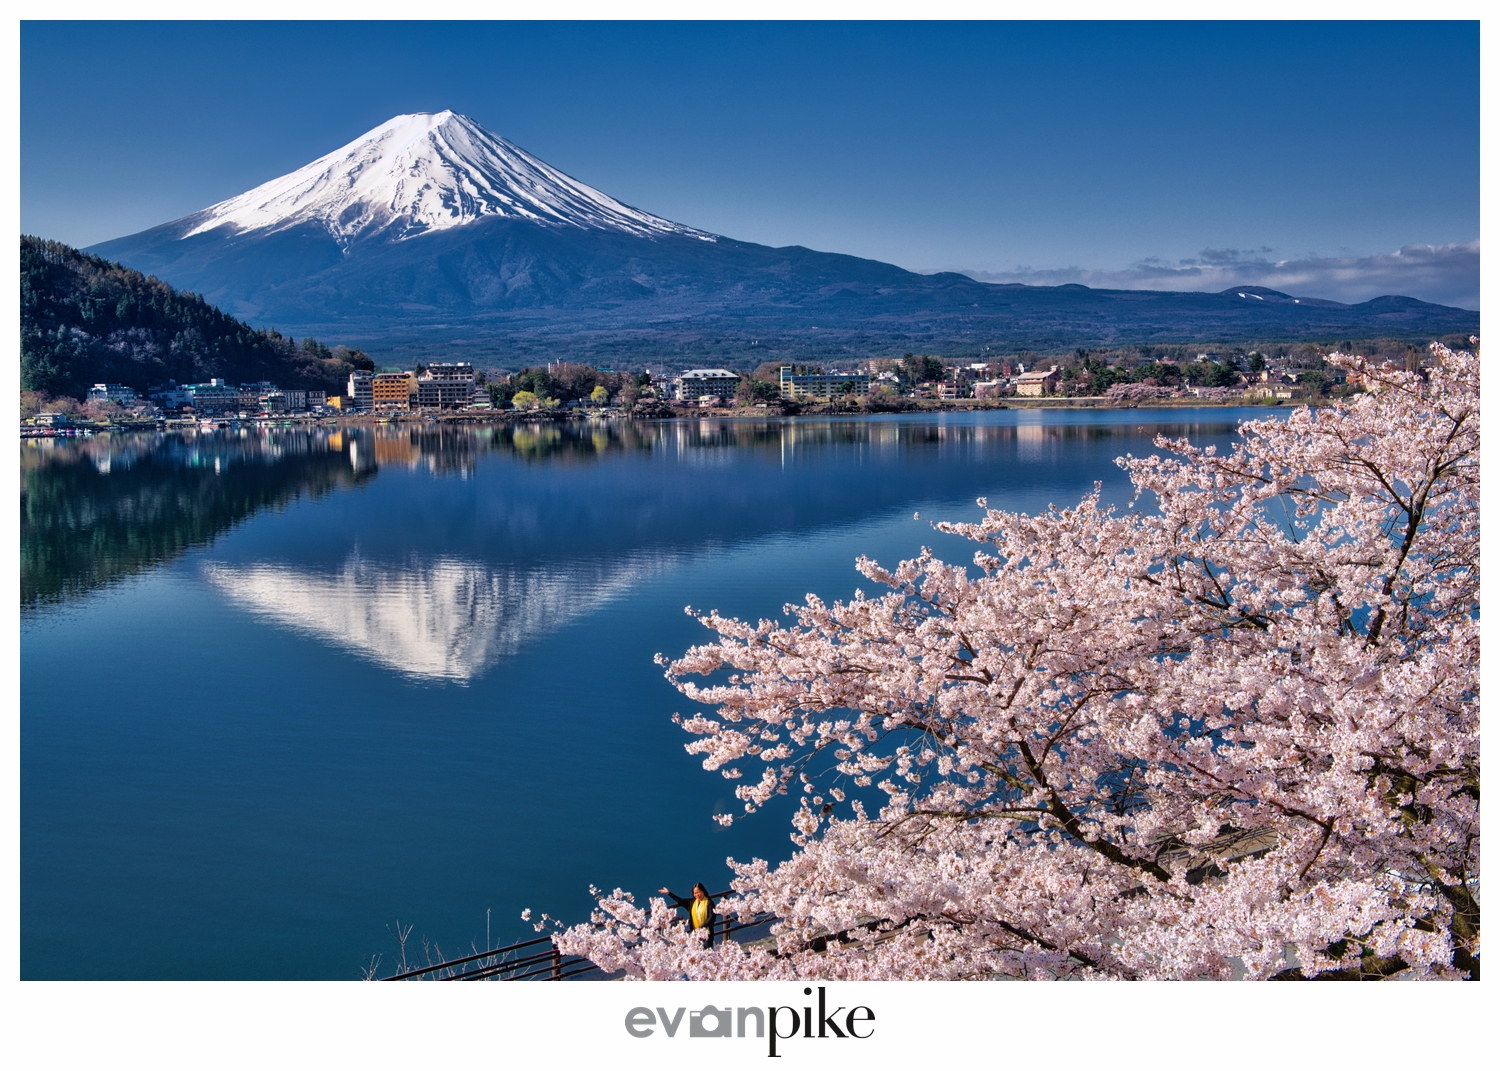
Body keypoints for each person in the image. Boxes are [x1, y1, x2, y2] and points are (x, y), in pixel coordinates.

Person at [658, 882, 716, 947]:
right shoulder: (692, 903)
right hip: (695, 934)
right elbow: (680, 901)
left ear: (703, 891)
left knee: (707, 952)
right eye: (695, 893)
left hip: (707, 933)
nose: (697, 895)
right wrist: (669, 893)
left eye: (699, 892)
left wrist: (702, 927)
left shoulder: (709, 903)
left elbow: (712, 917)